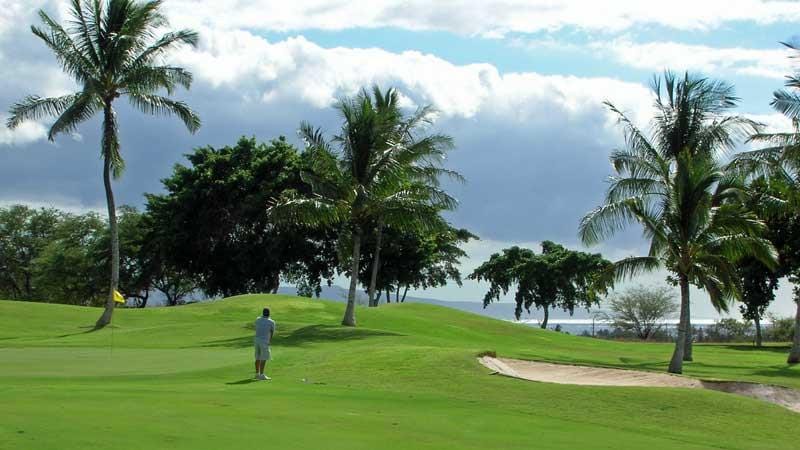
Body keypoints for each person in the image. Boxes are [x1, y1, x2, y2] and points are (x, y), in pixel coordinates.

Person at [254, 307, 276, 380]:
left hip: (256, 340)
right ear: (269, 313)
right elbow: (272, 332)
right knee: (263, 358)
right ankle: (262, 375)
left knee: (257, 357)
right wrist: (270, 341)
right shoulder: (271, 322)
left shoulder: (257, 319)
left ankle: (257, 374)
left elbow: (257, 327)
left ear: (263, 313)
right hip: (264, 341)